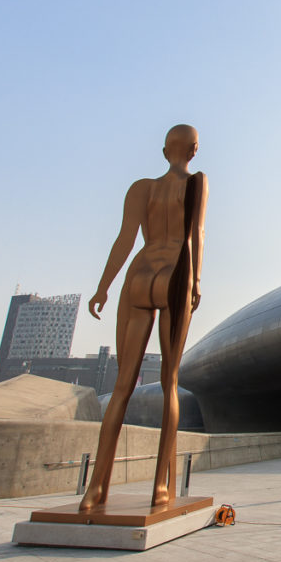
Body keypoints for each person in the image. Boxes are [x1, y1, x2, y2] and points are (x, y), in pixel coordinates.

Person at [79, 124, 207, 511]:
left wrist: (103, 286)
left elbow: (125, 238)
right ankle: (161, 489)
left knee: (121, 386)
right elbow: (195, 234)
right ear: (194, 150)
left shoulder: (141, 188)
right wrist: (196, 281)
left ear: (163, 149)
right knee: (169, 381)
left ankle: (95, 489)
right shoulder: (197, 183)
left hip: (139, 272)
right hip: (174, 273)